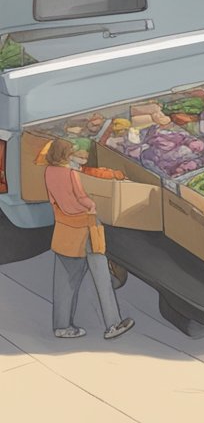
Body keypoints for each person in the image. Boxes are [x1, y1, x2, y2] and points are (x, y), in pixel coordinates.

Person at [44, 139, 134, 340]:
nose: (77, 156)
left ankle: (61, 326)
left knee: (65, 282)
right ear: (65, 154)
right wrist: (93, 205)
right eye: (74, 152)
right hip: (87, 227)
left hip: (64, 230)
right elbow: (80, 200)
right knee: (101, 277)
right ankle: (112, 324)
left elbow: (58, 200)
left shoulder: (49, 172)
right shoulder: (71, 174)